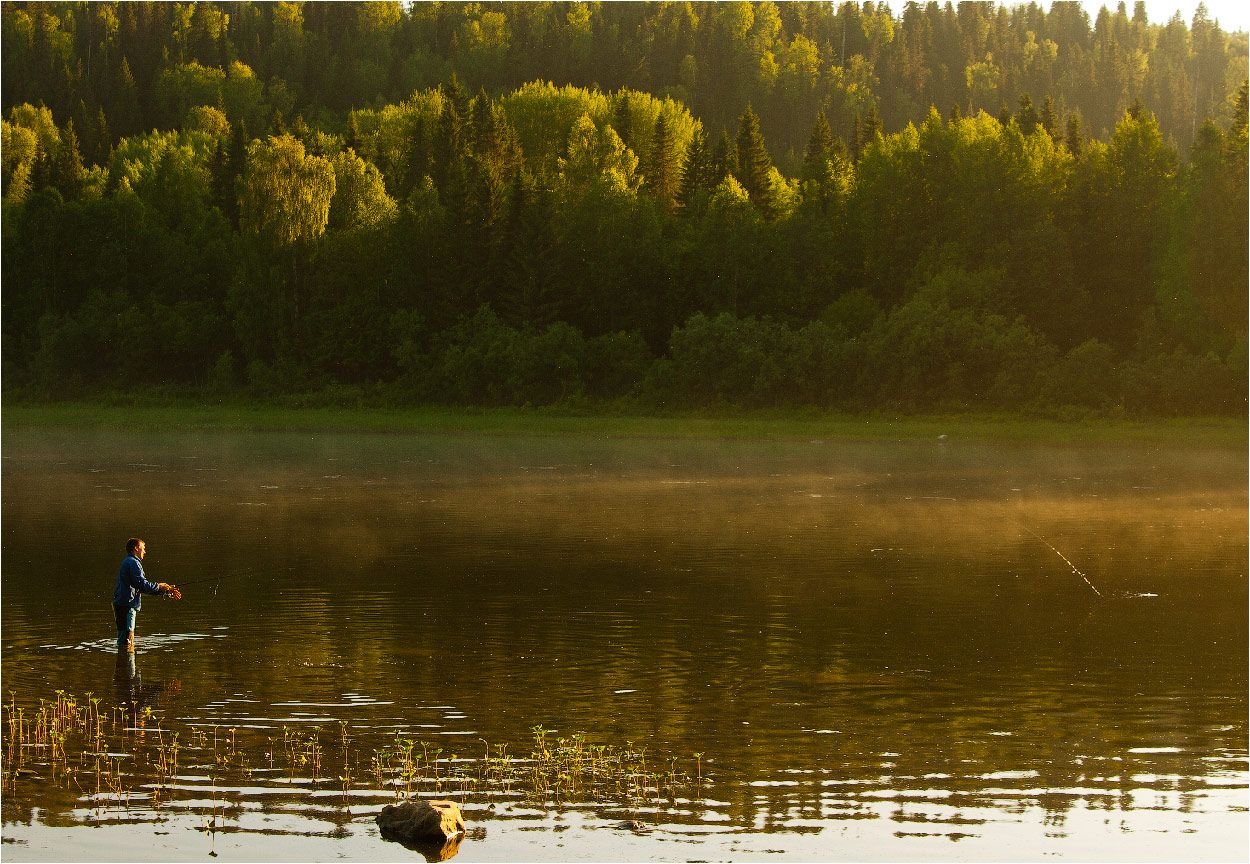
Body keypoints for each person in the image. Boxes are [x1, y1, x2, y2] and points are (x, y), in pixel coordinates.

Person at [113, 537, 181, 653]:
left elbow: (141, 587)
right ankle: (128, 668)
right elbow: (143, 585)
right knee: (127, 640)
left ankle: (124, 667)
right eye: (143, 548)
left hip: (123, 604)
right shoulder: (133, 562)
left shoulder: (129, 561)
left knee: (125, 639)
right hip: (127, 605)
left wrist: (166, 589)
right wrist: (161, 586)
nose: (145, 551)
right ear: (136, 548)